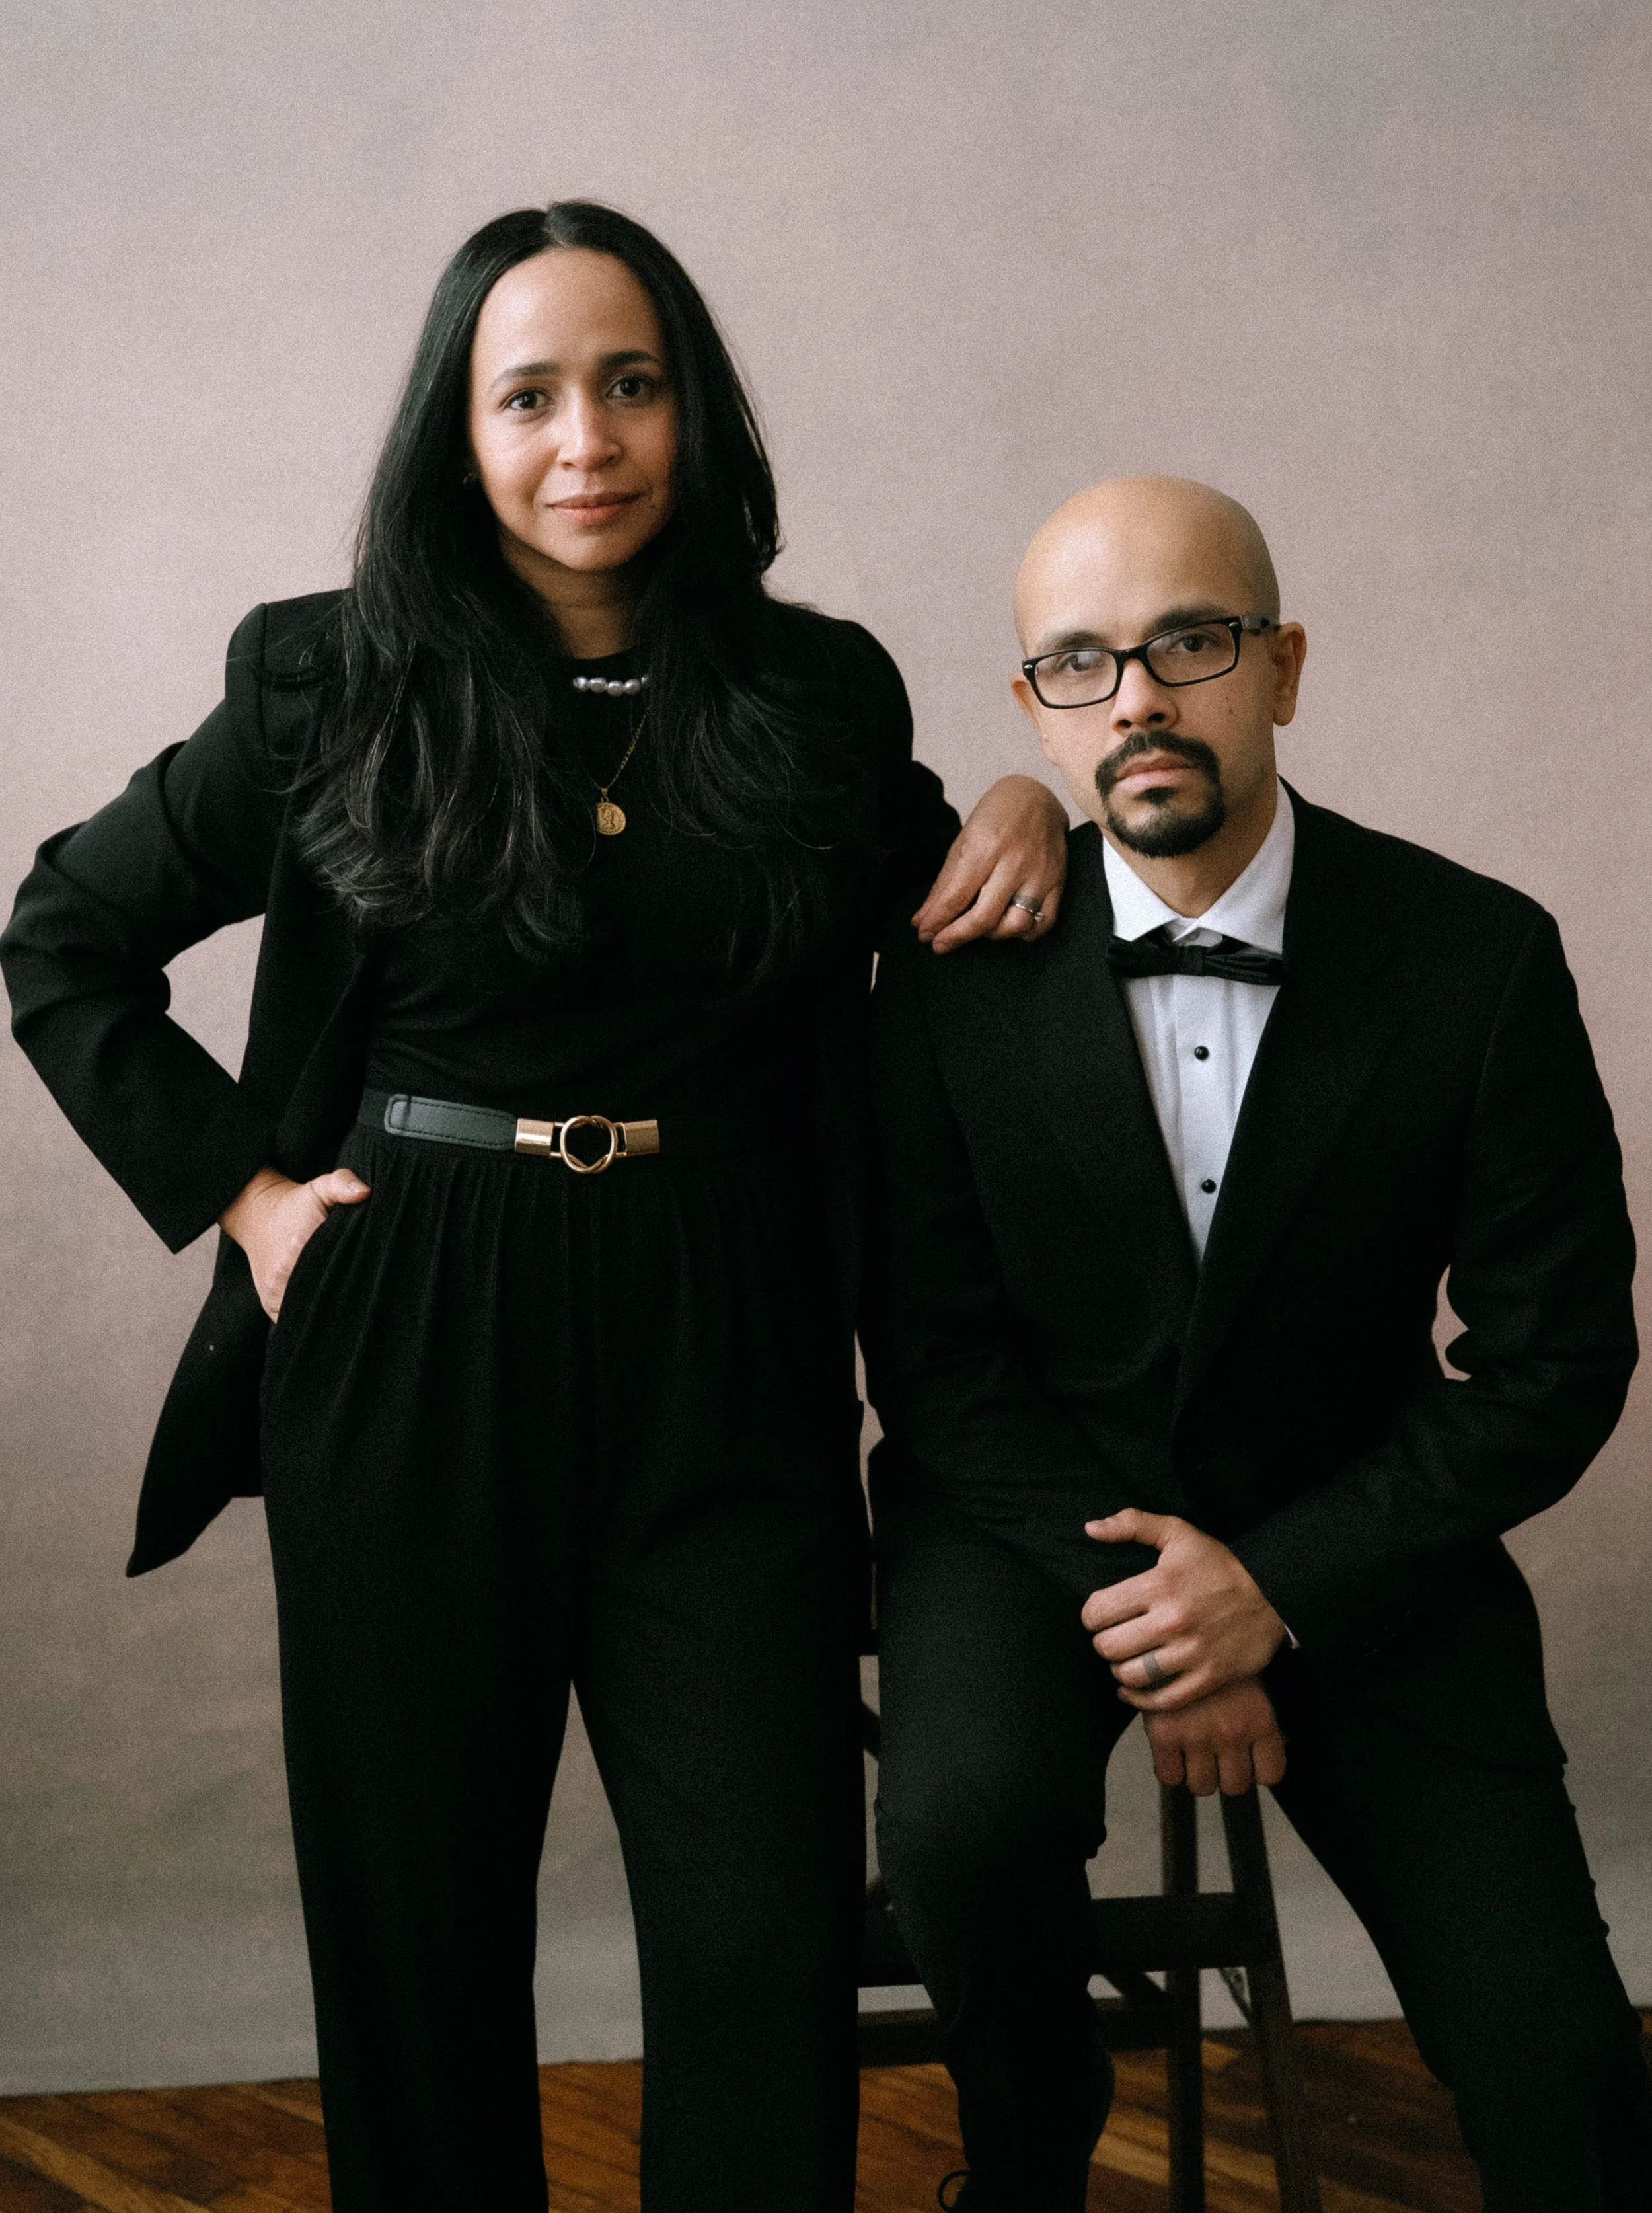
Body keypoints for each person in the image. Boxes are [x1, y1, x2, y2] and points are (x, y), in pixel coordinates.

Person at [0, 202, 1072, 2213]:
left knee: (760, 1944)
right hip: (408, 1329)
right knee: (417, 1949)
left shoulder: (813, 693)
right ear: (458, 430)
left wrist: (1028, 803)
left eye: (631, 383)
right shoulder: (328, 682)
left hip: (725, 1347)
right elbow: (62, 937)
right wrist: (244, 1192)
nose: (588, 439)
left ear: (693, 409)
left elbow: (950, 900)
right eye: (530, 396)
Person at [862, 475, 1652, 2213]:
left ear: (1283, 667)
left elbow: (1556, 1363)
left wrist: (1273, 1587)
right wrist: (1173, 1625)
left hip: (1358, 1527)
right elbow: (935, 1366)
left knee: (1565, 2065)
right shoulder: (945, 974)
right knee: (961, 1829)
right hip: (1028, 1526)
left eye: (1190, 643)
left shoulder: (1476, 957)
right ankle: (1030, 2145)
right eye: (1081, 661)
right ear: (1035, 708)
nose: (1136, 696)